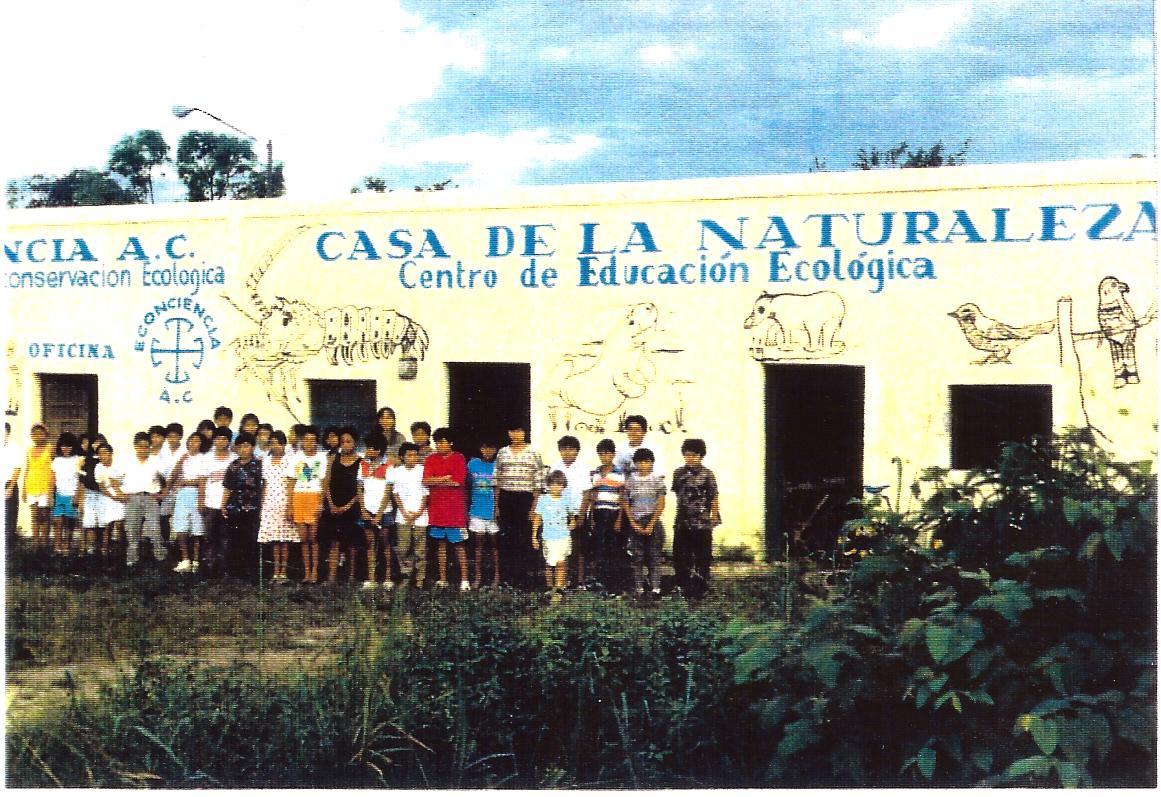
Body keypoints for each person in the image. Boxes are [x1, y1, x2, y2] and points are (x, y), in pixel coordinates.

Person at [493, 422, 544, 589]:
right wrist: (496, 506)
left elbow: (538, 483)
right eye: (513, 431)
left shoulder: (533, 452)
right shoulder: (502, 452)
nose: (516, 434)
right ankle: (507, 579)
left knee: (524, 539)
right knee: (506, 538)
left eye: (519, 431)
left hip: (525, 499)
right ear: (509, 433)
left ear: (524, 433)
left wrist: (534, 507)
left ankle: (524, 580)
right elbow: (497, 480)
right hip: (506, 498)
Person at [671, 438, 721, 597]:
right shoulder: (678, 473)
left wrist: (714, 516)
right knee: (680, 554)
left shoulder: (707, 474)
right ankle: (682, 585)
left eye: (694, 455)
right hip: (682, 522)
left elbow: (714, 496)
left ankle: (701, 587)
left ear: (701, 456)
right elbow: (678, 494)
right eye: (687, 455)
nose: (690, 458)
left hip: (702, 522)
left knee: (702, 556)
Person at [423, 427, 470, 591]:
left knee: (458, 545)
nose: (439, 445)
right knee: (440, 545)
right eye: (437, 442)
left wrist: (436, 480)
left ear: (451, 443)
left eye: (443, 442)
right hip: (436, 509)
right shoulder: (431, 459)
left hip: (454, 511)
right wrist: (444, 478)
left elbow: (457, 482)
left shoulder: (459, 458)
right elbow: (426, 481)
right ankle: (443, 579)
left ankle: (465, 580)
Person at [119, 431, 169, 568]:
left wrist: (162, 494)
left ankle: (160, 557)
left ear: (150, 447)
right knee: (132, 529)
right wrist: (120, 494)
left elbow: (165, 480)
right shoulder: (127, 461)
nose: (143, 449)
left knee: (154, 529)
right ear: (135, 446)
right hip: (132, 498)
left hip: (150, 498)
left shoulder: (156, 461)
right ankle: (132, 560)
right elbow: (113, 479)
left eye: (146, 446)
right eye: (140, 446)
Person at [621, 448, 666, 596]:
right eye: (639, 462)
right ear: (635, 464)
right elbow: (625, 502)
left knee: (654, 556)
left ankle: (656, 588)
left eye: (646, 462)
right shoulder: (630, 481)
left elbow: (661, 503)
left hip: (653, 522)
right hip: (636, 522)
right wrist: (633, 523)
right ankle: (639, 588)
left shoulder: (657, 480)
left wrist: (652, 523)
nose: (643, 465)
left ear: (652, 463)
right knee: (637, 556)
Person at [321, 428, 363, 584]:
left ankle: (351, 577)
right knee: (334, 542)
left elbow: (361, 488)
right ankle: (331, 578)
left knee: (352, 543)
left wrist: (347, 506)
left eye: (349, 441)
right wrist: (331, 504)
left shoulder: (361, 462)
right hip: (333, 505)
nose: (345, 445)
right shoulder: (333, 459)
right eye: (343, 442)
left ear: (355, 443)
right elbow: (326, 483)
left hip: (352, 506)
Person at [220, 432, 264, 580]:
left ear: (252, 447)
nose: (243, 449)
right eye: (240, 447)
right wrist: (223, 505)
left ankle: (251, 572)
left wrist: (261, 506)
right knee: (234, 539)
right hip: (234, 507)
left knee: (251, 539)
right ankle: (234, 572)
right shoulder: (233, 466)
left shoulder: (259, 465)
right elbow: (227, 487)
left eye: (247, 446)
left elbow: (263, 487)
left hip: (252, 508)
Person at [288, 426, 327, 583]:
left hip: (314, 497)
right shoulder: (296, 458)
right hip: (299, 497)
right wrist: (290, 506)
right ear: (302, 441)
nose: (309, 443)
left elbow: (324, 483)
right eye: (306, 440)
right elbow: (291, 482)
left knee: (313, 537)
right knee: (303, 538)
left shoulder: (322, 458)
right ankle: (307, 572)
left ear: (317, 442)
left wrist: (321, 503)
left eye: (313, 440)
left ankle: (315, 571)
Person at [550, 435, 590, 587]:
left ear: (577, 451)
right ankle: (563, 580)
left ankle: (579, 581)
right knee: (562, 548)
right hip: (560, 514)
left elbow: (586, 494)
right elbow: (551, 492)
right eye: (564, 449)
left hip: (578, 513)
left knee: (579, 548)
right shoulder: (555, 467)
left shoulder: (583, 468)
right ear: (560, 450)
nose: (567, 452)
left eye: (571, 449)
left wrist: (581, 516)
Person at [586, 438, 625, 591]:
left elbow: (622, 497)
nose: (604, 457)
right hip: (598, 513)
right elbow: (593, 496)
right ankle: (600, 582)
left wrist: (619, 519)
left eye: (607, 453)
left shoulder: (619, 473)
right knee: (599, 548)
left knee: (613, 549)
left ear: (613, 454)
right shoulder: (595, 473)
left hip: (613, 513)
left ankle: (613, 585)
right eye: (601, 454)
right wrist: (591, 517)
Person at [258, 431, 296, 582]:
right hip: (269, 502)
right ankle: (275, 572)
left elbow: (291, 484)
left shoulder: (290, 460)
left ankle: (283, 572)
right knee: (274, 539)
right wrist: (262, 504)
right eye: (273, 443)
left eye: (279, 443)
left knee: (284, 539)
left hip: (284, 501)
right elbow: (265, 484)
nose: (276, 446)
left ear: (284, 444)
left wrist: (290, 505)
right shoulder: (265, 461)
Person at [390, 442, 429, 588]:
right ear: (402, 457)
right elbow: (396, 494)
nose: (413, 458)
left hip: (420, 515)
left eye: (415, 455)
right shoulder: (397, 472)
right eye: (409, 455)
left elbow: (426, 493)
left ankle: (420, 578)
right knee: (404, 547)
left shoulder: (422, 470)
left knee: (420, 548)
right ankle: (406, 575)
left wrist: (418, 512)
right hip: (403, 516)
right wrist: (404, 512)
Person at [358, 432, 393, 588]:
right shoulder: (362, 465)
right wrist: (363, 510)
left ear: (378, 450)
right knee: (370, 544)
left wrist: (379, 514)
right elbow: (359, 489)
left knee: (385, 544)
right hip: (367, 510)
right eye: (367, 448)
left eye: (370, 448)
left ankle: (387, 578)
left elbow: (388, 492)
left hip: (384, 512)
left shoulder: (388, 466)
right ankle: (371, 579)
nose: (367, 451)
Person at [533, 470, 575, 600]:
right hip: (548, 537)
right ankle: (549, 587)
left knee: (561, 562)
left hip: (563, 536)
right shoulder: (543, 499)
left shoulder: (566, 499)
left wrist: (572, 521)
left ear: (564, 486)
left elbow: (571, 515)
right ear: (548, 485)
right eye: (553, 484)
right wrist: (534, 536)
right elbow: (537, 518)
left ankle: (558, 590)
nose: (556, 487)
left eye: (559, 484)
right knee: (549, 564)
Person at [200, 427, 237, 575]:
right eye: (218, 438)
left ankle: (224, 568)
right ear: (214, 440)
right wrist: (201, 501)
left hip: (229, 505)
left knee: (226, 537)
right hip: (210, 504)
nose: (221, 441)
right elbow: (202, 481)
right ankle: (209, 567)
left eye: (224, 439)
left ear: (229, 441)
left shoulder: (234, 458)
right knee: (210, 537)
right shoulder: (207, 458)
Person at [171, 432, 207, 573]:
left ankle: (196, 561)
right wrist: (180, 461)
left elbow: (202, 480)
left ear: (201, 444)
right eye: (191, 440)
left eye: (197, 441)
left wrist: (187, 482)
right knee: (181, 528)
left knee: (197, 529)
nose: (193, 443)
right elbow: (173, 476)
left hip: (197, 493)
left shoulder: (203, 458)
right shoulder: (183, 457)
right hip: (182, 494)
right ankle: (185, 559)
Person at [466, 438, 500, 588]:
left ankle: (496, 576)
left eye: (491, 448)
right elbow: (466, 485)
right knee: (478, 545)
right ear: (480, 449)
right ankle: (478, 577)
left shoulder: (497, 465)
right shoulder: (473, 464)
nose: (488, 451)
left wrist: (496, 507)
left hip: (491, 511)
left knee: (494, 545)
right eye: (485, 448)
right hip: (476, 510)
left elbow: (498, 488)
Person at [49, 432, 81, 555]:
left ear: (73, 446)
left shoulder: (78, 460)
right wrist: (51, 495)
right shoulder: (56, 461)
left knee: (69, 522)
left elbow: (80, 479)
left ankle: (66, 545)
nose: (66, 448)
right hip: (59, 494)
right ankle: (57, 545)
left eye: (68, 446)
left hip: (71, 495)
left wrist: (77, 496)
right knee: (58, 522)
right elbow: (52, 479)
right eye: (63, 446)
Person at [93, 442, 126, 561]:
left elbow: (122, 482)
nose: (102, 456)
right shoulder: (98, 467)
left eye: (105, 453)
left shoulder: (119, 465)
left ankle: (122, 553)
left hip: (121, 495)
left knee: (120, 525)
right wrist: (113, 496)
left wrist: (120, 496)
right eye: (100, 454)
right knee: (107, 526)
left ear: (111, 453)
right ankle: (104, 554)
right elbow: (102, 487)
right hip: (107, 497)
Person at [23, 424, 53, 550]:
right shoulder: (29, 450)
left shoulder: (50, 448)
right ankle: (36, 544)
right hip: (31, 486)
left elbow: (53, 470)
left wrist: (51, 491)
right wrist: (23, 489)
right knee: (34, 516)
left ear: (46, 435)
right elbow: (27, 469)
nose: (38, 436)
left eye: (41, 434)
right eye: (35, 434)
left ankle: (44, 544)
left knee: (44, 517)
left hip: (45, 487)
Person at [78, 433, 107, 557]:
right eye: (95, 442)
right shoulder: (87, 460)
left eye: (100, 442)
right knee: (90, 523)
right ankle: (91, 550)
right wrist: (81, 500)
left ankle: (104, 550)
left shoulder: (107, 460)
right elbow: (82, 481)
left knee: (103, 523)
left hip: (104, 495)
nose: (97, 445)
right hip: (90, 494)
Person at [3, 422, 23, 545]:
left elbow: (17, 468)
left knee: (9, 516)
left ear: (8, 433)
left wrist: (10, 488)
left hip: (9, 485)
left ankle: (9, 545)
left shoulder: (15, 448)